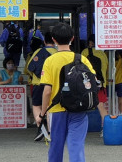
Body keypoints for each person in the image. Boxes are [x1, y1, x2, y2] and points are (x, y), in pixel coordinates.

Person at [36, 23, 95, 162]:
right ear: (72, 38)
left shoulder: (50, 61)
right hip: (79, 109)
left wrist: (42, 114)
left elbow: (47, 91)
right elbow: (93, 81)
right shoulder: (82, 59)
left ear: (53, 40)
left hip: (57, 110)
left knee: (56, 146)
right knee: (76, 145)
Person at [27, 32, 57, 141]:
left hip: (38, 84)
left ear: (44, 41)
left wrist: (35, 78)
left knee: (36, 105)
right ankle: (50, 132)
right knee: (50, 107)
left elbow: (29, 68)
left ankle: (40, 126)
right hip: (54, 84)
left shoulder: (38, 52)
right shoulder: (57, 53)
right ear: (54, 41)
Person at [81, 34, 108, 137]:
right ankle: (105, 129)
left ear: (90, 43)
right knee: (101, 106)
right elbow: (106, 68)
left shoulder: (84, 52)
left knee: (82, 106)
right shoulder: (102, 54)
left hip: (87, 84)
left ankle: (80, 129)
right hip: (101, 84)